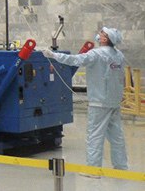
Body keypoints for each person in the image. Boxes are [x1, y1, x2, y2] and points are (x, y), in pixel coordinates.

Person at [43, 27, 128, 172]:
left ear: (105, 39)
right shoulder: (119, 55)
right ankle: (121, 167)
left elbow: (75, 60)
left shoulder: (96, 54)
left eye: (102, 33)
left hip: (99, 103)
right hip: (114, 102)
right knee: (117, 137)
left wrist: (53, 55)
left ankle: (93, 169)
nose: (99, 34)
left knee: (95, 136)